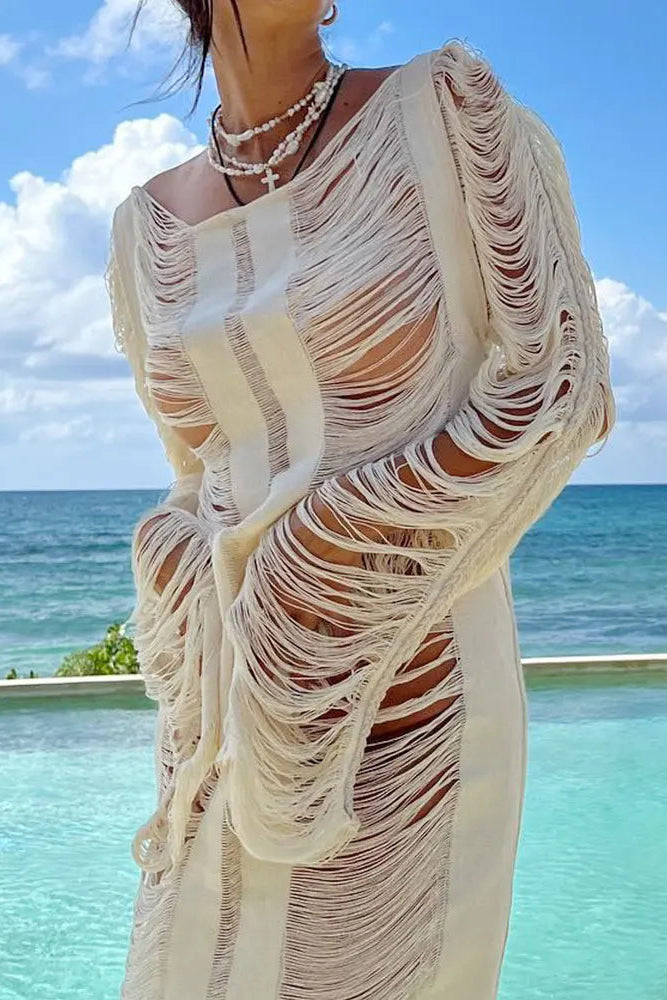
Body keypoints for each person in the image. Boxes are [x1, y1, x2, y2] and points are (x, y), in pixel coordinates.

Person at [104, 2, 616, 998]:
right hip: (220, 716)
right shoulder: (146, 226)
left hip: (413, 692)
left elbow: (559, 386)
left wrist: (320, 556)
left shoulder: (439, 113)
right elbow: (189, 467)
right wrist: (182, 567)